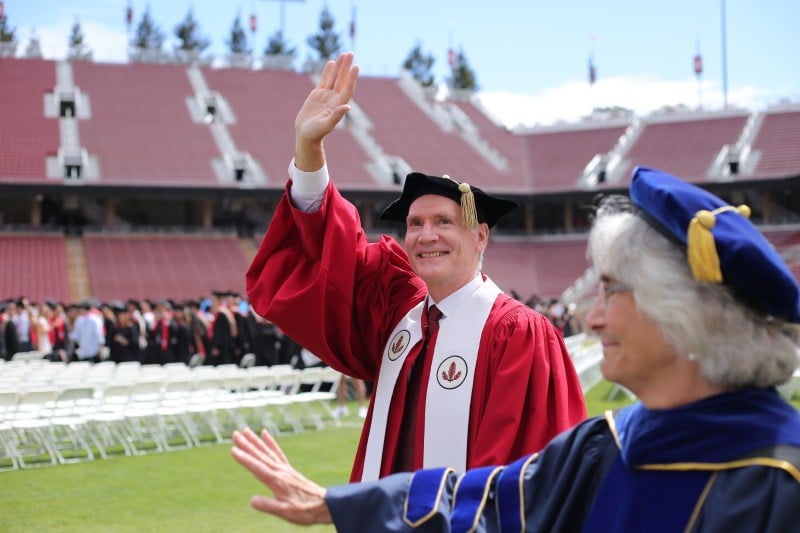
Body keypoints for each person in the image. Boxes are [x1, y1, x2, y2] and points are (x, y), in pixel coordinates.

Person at [233, 166, 800, 532]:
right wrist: (339, 503)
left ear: (684, 315)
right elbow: (493, 498)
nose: (592, 316)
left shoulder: (775, 478)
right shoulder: (605, 448)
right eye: (415, 223)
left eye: (612, 291)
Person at [245, 52, 587, 481]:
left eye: (444, 222)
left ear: (480, 236)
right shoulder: (398, 313)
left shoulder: (518, 334)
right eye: (415, 224)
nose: (427, 236)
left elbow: (533, 474)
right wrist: (308, 150)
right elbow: (334, 255)